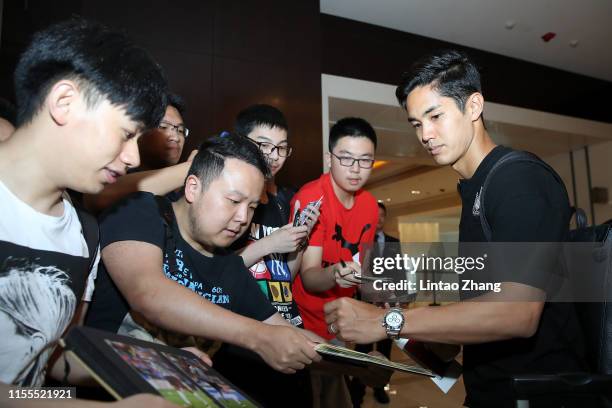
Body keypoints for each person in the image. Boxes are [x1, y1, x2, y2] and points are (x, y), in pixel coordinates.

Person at [324, 49, 587, 408]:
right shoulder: (476, 188)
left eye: (435, 116)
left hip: (537, 396)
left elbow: (517, 313)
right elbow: (480, 317)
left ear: (474, 106)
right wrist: (411, 331)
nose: (425, 134)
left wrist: (389, 321)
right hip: (491, 392)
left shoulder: (518, 179)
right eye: (416, 123)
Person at [0, 18, 177, 407]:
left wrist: (150, 373)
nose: (132, 157)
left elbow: (48, 366)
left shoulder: (85, 234)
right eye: (126, 134)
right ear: (65, 103)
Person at [85, 135, 322, 394]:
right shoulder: (141, 211)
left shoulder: (229, 267)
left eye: (252, 207)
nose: (242, 217)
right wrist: (258, 336)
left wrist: (348, 353)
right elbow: (149, 294)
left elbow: (284, 331)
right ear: (193, 188)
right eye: (233, 201)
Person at [212, 105, 318, 407]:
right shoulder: (227, 197)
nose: (273, 155)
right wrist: (271, 242)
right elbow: (214, 271)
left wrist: (299, 238)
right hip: (240, 341)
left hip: (287, 328)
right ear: (241, 142)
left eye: (282, 148)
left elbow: (286, 275)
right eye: (263, 145)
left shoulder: (284, 202)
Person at [291, 117, 379, 407]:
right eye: (346, 158)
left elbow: (361, 267)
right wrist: (336, 275)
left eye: (365, 160)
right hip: (302, 325)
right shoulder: (312, 198)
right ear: (330, 158)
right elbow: (309, 277)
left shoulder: (369, 205)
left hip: (340, 325)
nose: (355, 169)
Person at [83, 93, 195, 214]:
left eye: (180, 130)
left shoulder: (181, 191)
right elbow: (98, 196)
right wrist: (192, 168)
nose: (176, 137)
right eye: (163, 127)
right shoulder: (116, 172)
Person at [349, 202, 398, 406]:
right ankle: (357, 392)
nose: (378, 219)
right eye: (374, 215)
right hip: (365, 304)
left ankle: (380, 388)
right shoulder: (358, 242)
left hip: (387, 305)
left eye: (382, 216)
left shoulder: (394, 242)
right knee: (363, 348)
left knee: (385, 348)